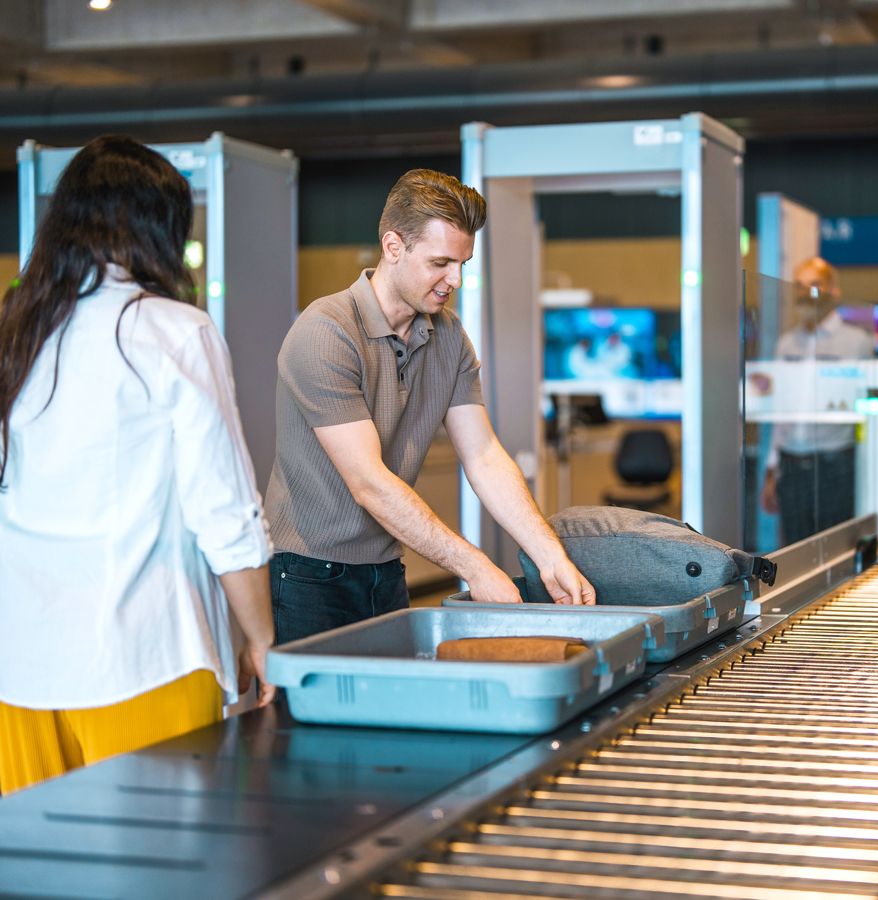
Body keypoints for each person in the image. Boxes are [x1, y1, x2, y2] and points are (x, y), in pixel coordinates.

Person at [0, 135, 275, 794]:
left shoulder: (16, 331)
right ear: (160, 231)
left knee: (34, 873)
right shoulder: (174, 331)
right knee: (160, 872)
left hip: (18, 668)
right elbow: (224, 513)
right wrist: (262, 640)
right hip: (141, 655)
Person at [266, 168, 593, 645]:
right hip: (306, 577)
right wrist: (475, 566)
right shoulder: (326, 331)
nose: (454, 279)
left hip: (385, 570)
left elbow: (483, 456)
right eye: (441, 262)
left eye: (462, 263)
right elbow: (369, 484)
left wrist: (549, 556)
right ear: (393, 246)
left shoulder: (448, 337)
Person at [760, 257, 874, 544]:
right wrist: (771, 470)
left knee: (837, 550)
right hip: (792, 463)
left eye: (814, 285)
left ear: (833, 291)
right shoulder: (787, 343)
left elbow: (869, 411)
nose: (805, 293)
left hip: (836, 463)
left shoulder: (856, 342)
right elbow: (781, 411)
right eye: (799, 286)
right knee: (795, 550)